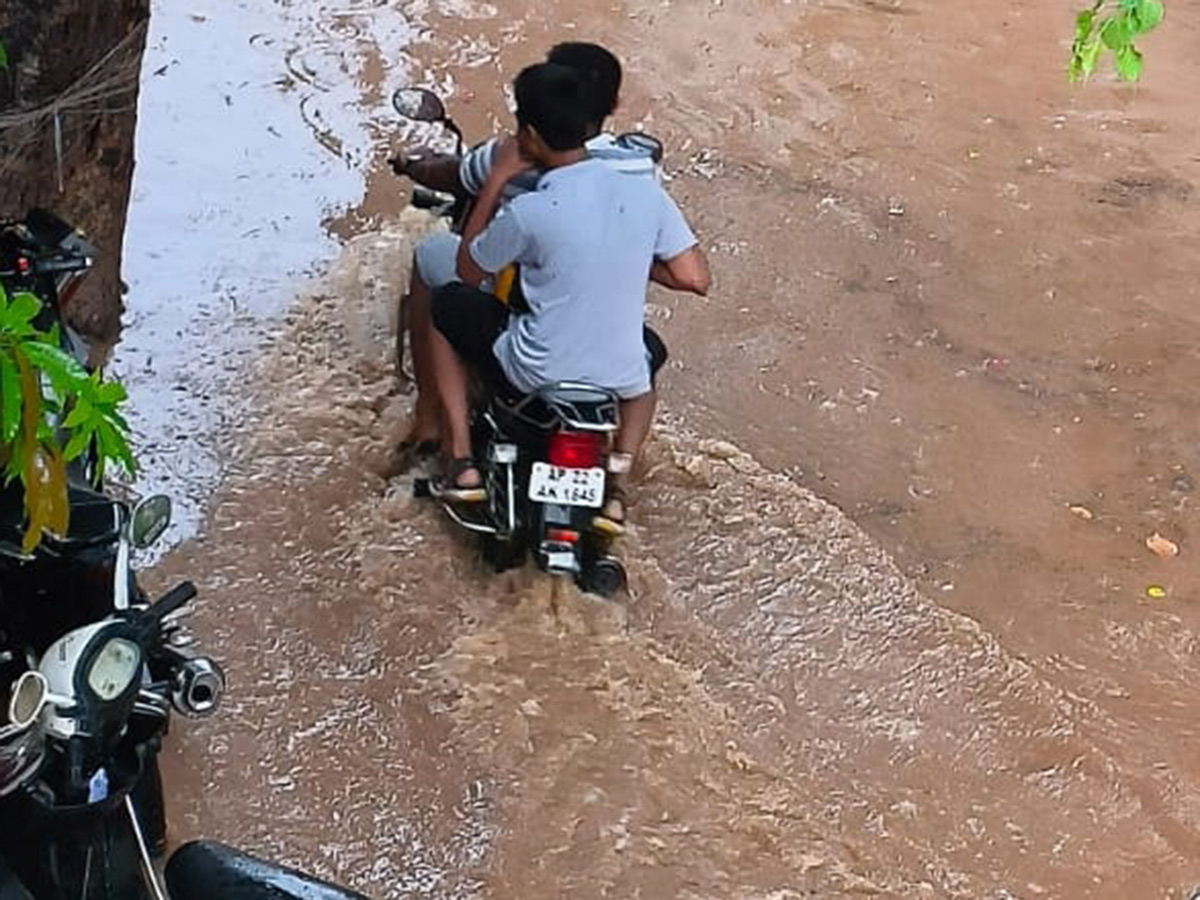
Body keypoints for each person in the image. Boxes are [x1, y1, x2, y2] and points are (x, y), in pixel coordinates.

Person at [422, 62, 709, 533]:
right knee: (647, 360)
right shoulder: (645, 195)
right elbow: (695, 277)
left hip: (536, 368)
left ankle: (460, 459)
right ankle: (616, 487)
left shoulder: (531, 210)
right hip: (617, 378)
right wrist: (630, 256)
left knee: (446, 305)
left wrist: (496, 179)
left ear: (529, 136)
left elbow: (469, 268)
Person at [393, 43, 661, 464]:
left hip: (534, 351)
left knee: (436, 270)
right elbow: (692, 276)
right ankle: (620, 479)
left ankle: (436, 429)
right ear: (611, 103)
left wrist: (411, 165)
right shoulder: (640, 174)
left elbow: (466, 251)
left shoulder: (520, 172)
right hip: (615, 364)